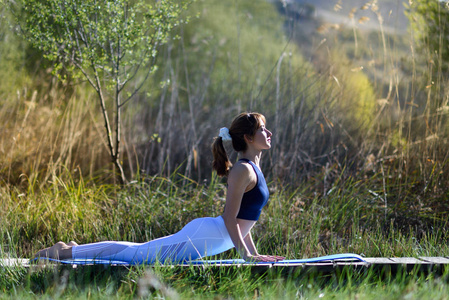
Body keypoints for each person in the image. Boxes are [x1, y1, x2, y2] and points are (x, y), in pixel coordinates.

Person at [35, 112, 284, 264]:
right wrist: (246, 255)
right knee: (137, 256)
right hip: (206, 235)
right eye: (263, 129)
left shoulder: (253, 168)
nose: (269, 132)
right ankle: (64, 252)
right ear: (249, 138)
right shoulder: (243, 170)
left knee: (138, 252)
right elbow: (230, 219)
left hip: (214, 238)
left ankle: (73, 249)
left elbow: (243, 222)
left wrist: (255, 255)